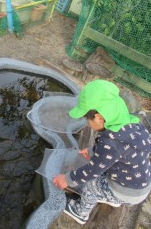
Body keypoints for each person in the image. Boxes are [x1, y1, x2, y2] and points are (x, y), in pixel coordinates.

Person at [53, 79, 151, 224]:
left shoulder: (110, 142)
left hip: (127, 191)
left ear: (99, 118)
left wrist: (66, 179)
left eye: (87, 119)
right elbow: (120, 151)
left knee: (92, 185)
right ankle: (114, 198)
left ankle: (80, 213)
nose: (87, 123)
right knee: (101, 173)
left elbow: (92, 170)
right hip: (140, 183)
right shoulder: (134, 124)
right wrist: (93, 150)